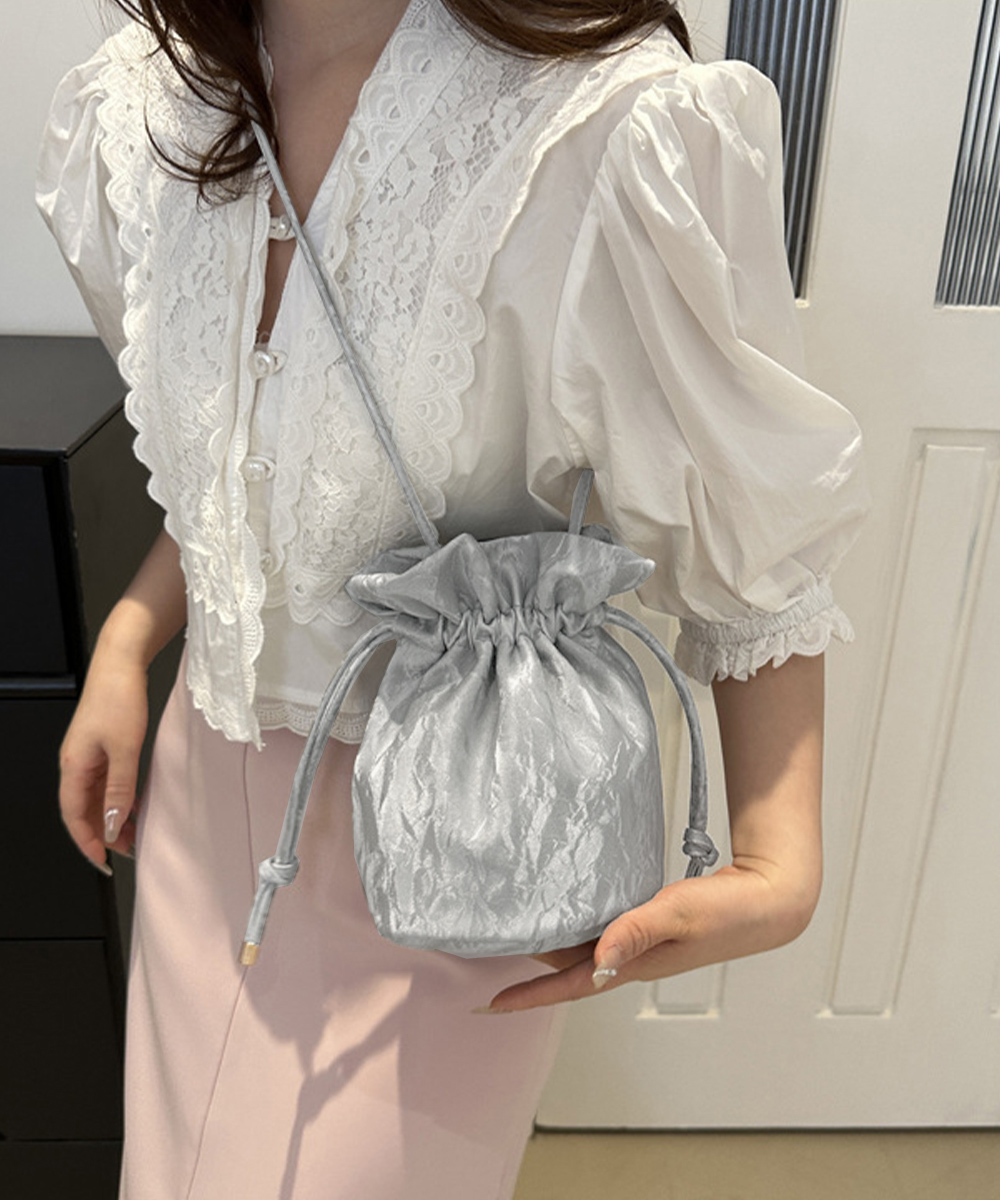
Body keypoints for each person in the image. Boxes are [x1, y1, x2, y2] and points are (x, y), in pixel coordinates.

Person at [36, 0, 872, 1196]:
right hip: (201, 795)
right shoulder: (141, 100)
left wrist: (779, 856)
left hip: (463, 822)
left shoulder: (604, 118)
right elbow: (247, 466)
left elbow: (750, 514)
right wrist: (130, 640)